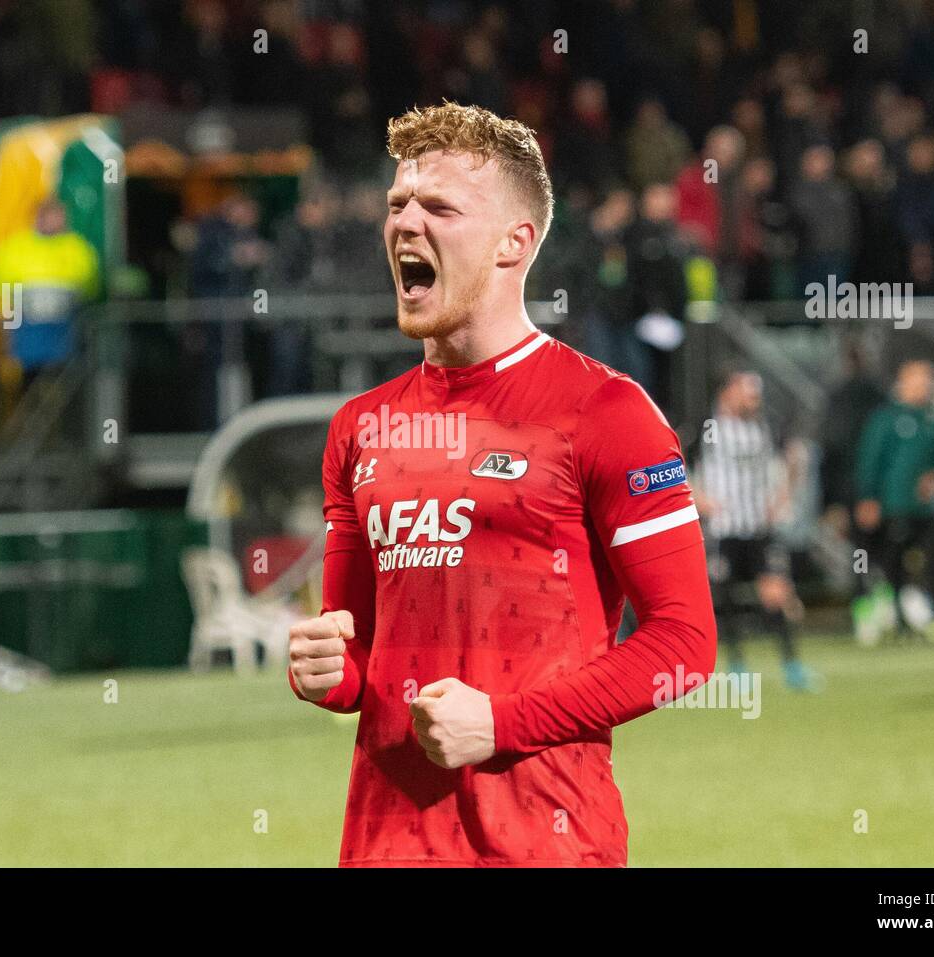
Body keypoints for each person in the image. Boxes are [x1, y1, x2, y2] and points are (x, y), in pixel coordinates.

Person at [285, 102, 717, 868]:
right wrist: (326, 670)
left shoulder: (606, 411)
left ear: (514, 243)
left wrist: (502, 722)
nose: (405, 224)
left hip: (546, 845)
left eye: (439, 207)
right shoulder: (359, 426)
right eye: (397, 204)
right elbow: (357, 654)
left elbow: (684, 643)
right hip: (384, 845)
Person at [692, 369, 821, 691]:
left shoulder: (766, 427)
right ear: (726, 393)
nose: (753, 398)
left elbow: (796, 457)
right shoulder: (706, 428)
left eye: (755, 392)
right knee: (726, 596)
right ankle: (736, 666)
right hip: (724, 529)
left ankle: (792, 666)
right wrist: (696, 496)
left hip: (759, 528)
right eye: (746, 391)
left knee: (775, 594)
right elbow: (669, 461)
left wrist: (783, 495)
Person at [852, 359, 934, 643]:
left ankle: (921, 614)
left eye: (928, 380)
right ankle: (881, 616)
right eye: (919, 379)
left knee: (929, 561)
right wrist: (868, 498)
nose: (925, 386)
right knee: (885, 563)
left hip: (922, 508)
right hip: (892, 506)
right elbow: (870, 460)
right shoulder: (886, 419)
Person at [0, 198, 101, 383]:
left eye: (59, 216)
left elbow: (91, 292)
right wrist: (4, 335)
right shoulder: (14, 248)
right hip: (27, 339)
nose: (56, 221)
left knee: (65, 387)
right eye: (51, 216)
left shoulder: (79, 248)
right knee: (28, 387)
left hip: (67, 338)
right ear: (37, 217)